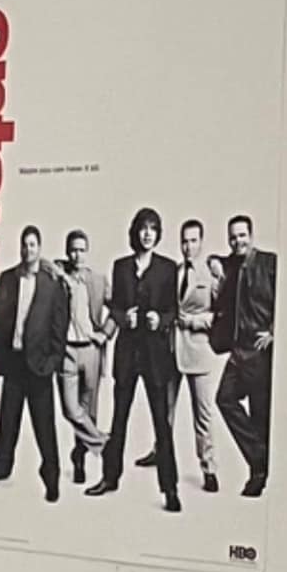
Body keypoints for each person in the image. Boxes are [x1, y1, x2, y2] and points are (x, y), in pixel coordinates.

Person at [94, 205, 185, 510]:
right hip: (127, 354)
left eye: (153, 229)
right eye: (144, 228)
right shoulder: (121, 267)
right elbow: (115, 307)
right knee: (119, 417)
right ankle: (110, 477)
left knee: (162, 422)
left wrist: (162, 319)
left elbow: (174, 310)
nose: (148, 234)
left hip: (156, 356)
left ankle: (170, 489)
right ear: (136, 231)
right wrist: (123, 318)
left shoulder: (168, 268)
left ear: (158, 234)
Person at [0, 225, 70, 499]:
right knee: (8, 421)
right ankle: (0, 469)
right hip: (14, 364)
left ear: (39, 249)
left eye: (32, 245)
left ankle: (51, 479)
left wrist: (53, 362)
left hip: (40, 367)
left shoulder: (52, 286)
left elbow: (60, 328)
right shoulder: (8, 278)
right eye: (24, 244)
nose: (28, 249)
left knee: (45, 427)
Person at [215, 211, 274, 499]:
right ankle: (262, 456)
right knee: (224, 399)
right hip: (238, 352)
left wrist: (274, 329)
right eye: (233, 237)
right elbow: (215, 261)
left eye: (242, 235)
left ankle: (258, 474)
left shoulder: (269, 263)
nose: (237, 241)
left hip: (260, 353)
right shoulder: (230, 265)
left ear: (251, 236)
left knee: (260, 414)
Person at [170, 216, 226, 494]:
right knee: (164, 410)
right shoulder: (175, 271)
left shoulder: (211, 274)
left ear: (201, 243)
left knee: (203, 415)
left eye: (193, 241)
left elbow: (221, 315)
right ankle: (161, 451)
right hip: (172, 350)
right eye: (184, 241)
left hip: (200, 352)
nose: (188, 246)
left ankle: (209, 468)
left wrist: (193, 322)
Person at [54, 227, 108, 483]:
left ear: (88, 253)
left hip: (91, 350)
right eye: (73, 250)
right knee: (70, 409)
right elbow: (42, 264)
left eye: (82, 250)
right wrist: (59, 268)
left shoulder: (97, 279)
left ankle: (80, 458)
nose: (77, 255)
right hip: (66, 350)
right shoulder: (59, 276)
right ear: (67, 252)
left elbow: (118, 309)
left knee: (89, 411)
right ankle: (106, 445)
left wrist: (105, 333)